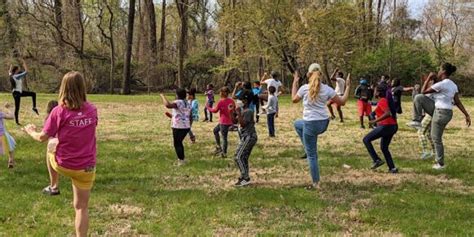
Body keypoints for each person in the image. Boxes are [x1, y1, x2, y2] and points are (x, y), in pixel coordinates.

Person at [24, 71, 98, 237]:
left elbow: (42, 137)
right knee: (81, 208)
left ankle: (54, 185)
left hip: (64, 164)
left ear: (63, 89)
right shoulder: (92, 110)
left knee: (50, 145)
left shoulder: (58, 111)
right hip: (86, 167)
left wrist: (30, 131)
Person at [292, 63, 351, 189]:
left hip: (310, 124)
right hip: (323, 123)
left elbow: (293, 99)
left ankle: (316, 183)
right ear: (321, 75)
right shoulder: (328, 89)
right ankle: (307, 149)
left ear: (308, 74)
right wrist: (347, 87)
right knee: (297, 124)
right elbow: (343, 102)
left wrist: (294, 82)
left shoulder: (304, 88)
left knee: (312, 156)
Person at [408, 63, 471, 169]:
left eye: (440, 69)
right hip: (446, 112)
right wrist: (466, 115)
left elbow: (423, 92)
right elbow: (457, 102)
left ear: (443, 72)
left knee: (436, 138)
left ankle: (440, 163)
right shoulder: (453, 85)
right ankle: (417, 121)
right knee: (435, 136)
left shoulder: (442, 84)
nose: (438, 71)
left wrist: (428, 78)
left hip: (440, 112)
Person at [363, 83, 399, 173]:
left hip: (386, 126)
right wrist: (373, 115)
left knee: (366, 139)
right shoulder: (385, 100)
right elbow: (378, 111)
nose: (373, 92)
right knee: (384, 147)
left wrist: (374, 121)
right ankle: (392, 168)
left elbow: (388, 113)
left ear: (378, 92)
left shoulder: (383, 100)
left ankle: (376, 160)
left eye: (375, 90)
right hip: (392, 126)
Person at [230, 90, 258, 186]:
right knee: (243, 157)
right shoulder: (242, 110)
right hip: (244, 137)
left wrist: (238, 113)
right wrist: (232, 112)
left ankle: (245, 178)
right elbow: (234, 121)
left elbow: (243, 124)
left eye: (240, 99)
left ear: (245, 101)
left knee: (238, 157)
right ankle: (244, 176)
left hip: (249, 137)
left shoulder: (248, 111)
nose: (238, 101)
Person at [160, 89, 192, 165]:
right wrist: (172, 116)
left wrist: (162, 96)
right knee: (179, 143)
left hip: (178, 127)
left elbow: (168, 105)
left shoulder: (178, 102)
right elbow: (186, 115)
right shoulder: (187, 103)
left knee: (177, 143)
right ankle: (182, 159)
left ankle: (181, 161)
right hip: (186, 126)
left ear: (177, 95)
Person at [207, 87, 236, 158]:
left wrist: (208, 107)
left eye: (220, 92)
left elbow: (215, 111)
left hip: (224, 123)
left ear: (223, 93)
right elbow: (234, 109)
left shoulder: (221, 101)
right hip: (229, 121)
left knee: (224, 138)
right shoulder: (232, 101)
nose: (219, 93)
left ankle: (224, 153)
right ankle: (218, 147)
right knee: (215, 130)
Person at [9, 59, 39, 125]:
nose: (19, 70)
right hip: (16, 93)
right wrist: (24, 64)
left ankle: (34, 107)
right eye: (18, 69)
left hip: (19, 92)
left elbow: (9, 72)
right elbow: (26, 72)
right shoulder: (16, 76)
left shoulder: (11, 75)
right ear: (16, 70)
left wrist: (10, 67)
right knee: (17, 107)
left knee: (33, 94)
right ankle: (17, 121)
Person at [0, 103, 16, 168]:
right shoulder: (0, 114)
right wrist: (8, 108)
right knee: (10, 146)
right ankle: (11, 161)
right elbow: (12, 117)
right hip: (2, 134)